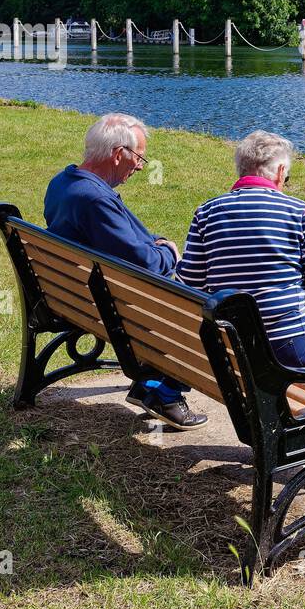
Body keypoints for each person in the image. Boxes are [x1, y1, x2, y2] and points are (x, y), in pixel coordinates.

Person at [177, 130, 305, 383]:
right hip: (290, 343)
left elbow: (189, 280)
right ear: (280, 171)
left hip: (231, 342)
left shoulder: (206, 212)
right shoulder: (298, 211)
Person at [44, 113, 207, 430]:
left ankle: (153, 383)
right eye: (140, 157)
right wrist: (169, 252)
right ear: (119, 154)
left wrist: (151, 247)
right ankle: (163, 394)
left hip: (71, 295)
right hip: (107, 306)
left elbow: (123, 247)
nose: (141, 166)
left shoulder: (62, 183)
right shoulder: (94, 199)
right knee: (198, 317)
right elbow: (144, 263)